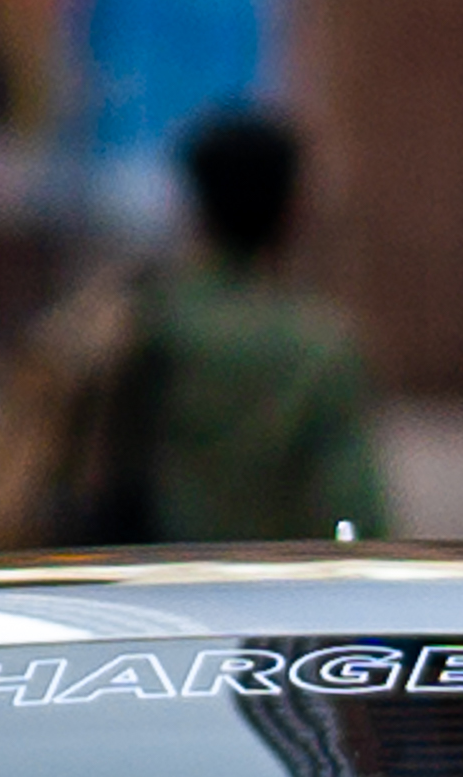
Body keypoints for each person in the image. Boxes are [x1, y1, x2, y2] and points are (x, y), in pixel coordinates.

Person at [139, 110, 388, 544]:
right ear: (292, 210)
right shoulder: (318, 345)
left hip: (138, 582)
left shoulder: (142, 320)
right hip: (266, 587)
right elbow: (356, 509)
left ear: (195, 204)